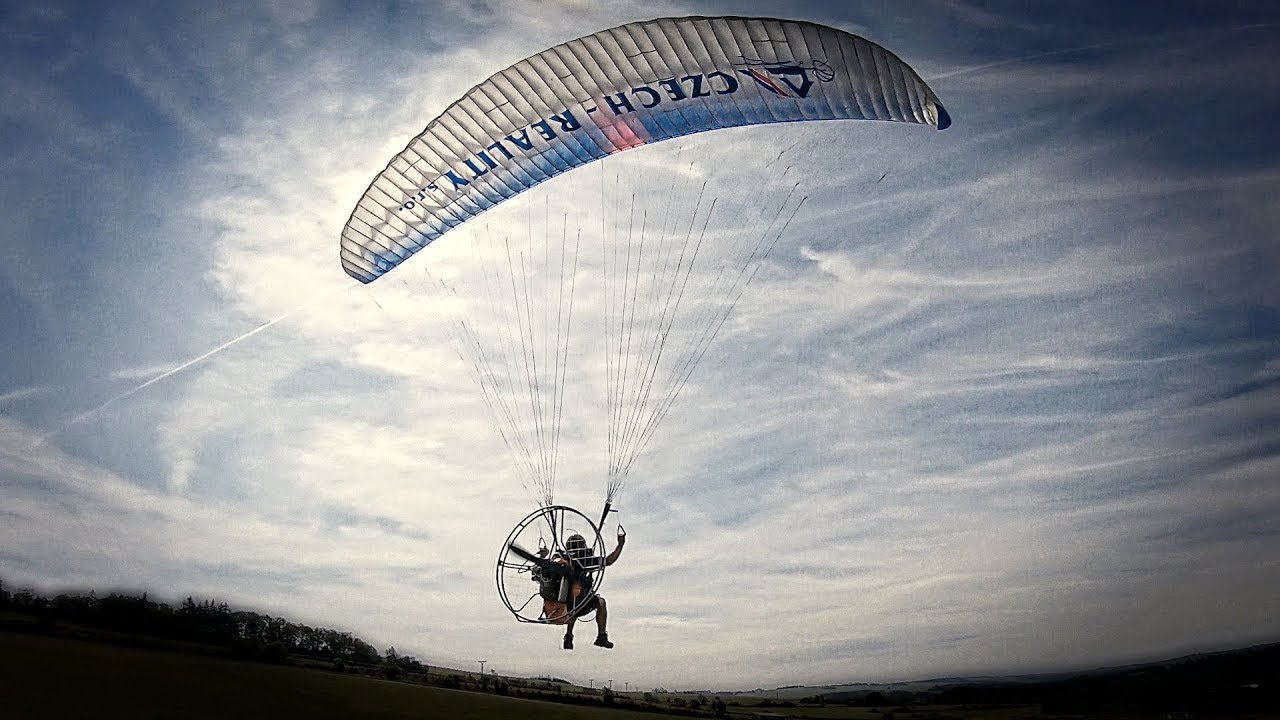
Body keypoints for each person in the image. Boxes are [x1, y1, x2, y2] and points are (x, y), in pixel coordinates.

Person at [540, 525, 625, 650]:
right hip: (570, 604)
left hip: (570, 604)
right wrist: (620, 545)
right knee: (596, 602)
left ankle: (572, 636)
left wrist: (543, 557)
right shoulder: (581, 560)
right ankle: (598, 635)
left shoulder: (566, 559)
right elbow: (608, 561)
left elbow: (541, 571)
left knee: (577, 603)